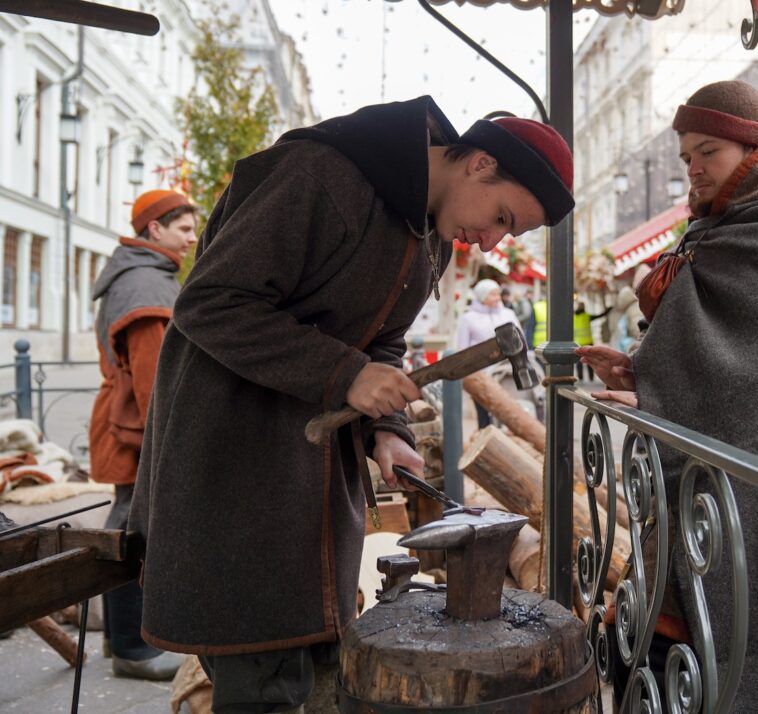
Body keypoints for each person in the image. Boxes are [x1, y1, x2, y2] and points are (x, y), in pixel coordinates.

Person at [128, 97, 573, 714]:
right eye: (502, 216)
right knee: (262, 682)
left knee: (314, 664)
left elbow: (382, 338)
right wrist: (346, 374)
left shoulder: (431, 234)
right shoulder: (318, 173)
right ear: (479, 163)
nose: (492, 243)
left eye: (509, 234)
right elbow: (210, 303)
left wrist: (386, 428)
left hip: (311, 482)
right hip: (233, 471)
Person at [578, 80, 758, 711]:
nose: (694, 169)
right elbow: (734, 356)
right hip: (710, 496)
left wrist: (662, 388)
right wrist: (642, 377)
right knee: (686, 645)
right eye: (685, 157)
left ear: (757, 148)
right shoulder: (721, 233)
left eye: (708, 150)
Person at [89, 189, 197, 680]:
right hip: (136, 430)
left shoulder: (140, 275)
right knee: (137, 533)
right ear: (154, 229)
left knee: (129, 528)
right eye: (183, 228)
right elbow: (158, 379)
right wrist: (175, 441)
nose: (192, 237)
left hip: (127, 425)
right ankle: (134, 648)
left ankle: (122, 641)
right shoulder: (145, 285)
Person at [456, 278, 521, 429]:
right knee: (484, 414)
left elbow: (520, 338)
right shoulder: (468, 318)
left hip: (506, 372)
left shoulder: (508, 314)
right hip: (481, 374)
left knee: (507, 411)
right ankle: (486, 441)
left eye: (498, 293)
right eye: (492, 294)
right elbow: (463, 347)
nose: (498, 297)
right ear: (481, 295)